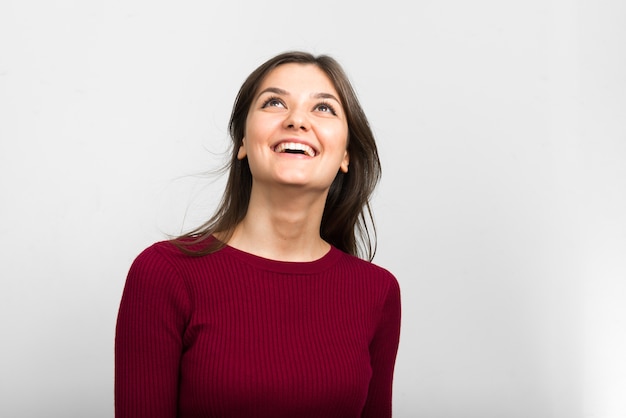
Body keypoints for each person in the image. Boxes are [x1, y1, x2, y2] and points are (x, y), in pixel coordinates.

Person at [115, 51, 401, 418]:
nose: (297, 120)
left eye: (324, 108)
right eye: (275, 102)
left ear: (346, 154)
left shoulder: (377, 292)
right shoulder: (164, 273)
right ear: (244, 143)